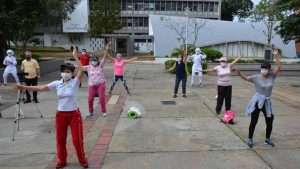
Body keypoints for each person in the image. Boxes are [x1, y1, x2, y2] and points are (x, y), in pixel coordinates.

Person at [12, 48, 89, 169]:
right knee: (60, 140)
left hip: (74, 114)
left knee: (77, 140)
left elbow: (82, 70)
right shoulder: (57, 83)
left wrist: (75, 56)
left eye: (68, 71)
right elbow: (41, 88)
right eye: (64, 71)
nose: (65, 73)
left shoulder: (75, 82)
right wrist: (22, 86)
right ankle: (61, 161)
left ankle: (82, 159)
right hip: (61, 115)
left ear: (71, 73)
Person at [232, 48, 281, 148]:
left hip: (267, 102)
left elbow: (279, 66)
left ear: (269, 69)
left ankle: (267, 139)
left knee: (270, 120)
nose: (263, 70)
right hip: (257, 101)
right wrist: (238, 72)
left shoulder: (272, 76)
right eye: (262, 68)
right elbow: (246, 78)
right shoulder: (256, 77)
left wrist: (276, 55)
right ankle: (250, 139)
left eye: (265, 68)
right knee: (254, 121)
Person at [84, 45, 108, 117]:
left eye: (95, 61)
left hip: (101, 84)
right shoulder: (88, 67)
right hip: (92, 85)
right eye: (93, 61)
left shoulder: (100, 65)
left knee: (101, 98)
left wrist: (106, 51)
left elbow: (104, 58)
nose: (94, 62)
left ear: (98, 61)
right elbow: (80, 67)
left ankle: (104, 111)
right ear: (91, 61)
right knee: (90, 98)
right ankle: (90, 111)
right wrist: (75, 56)